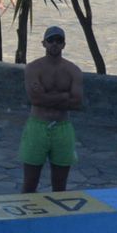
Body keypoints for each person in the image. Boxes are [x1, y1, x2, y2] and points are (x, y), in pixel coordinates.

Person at [18, 25, 84, 192]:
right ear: (44, 43)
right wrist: (63, 96)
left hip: (62, 128)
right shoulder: (34, 68)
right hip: (38, 126)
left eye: (59, 40)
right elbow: (35, 99)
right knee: (30, 183)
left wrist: (46, 97)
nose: (55, 44)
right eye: (51, 40)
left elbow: (76, 102)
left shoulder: (73, 71)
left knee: (60, 186)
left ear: (64, 44)